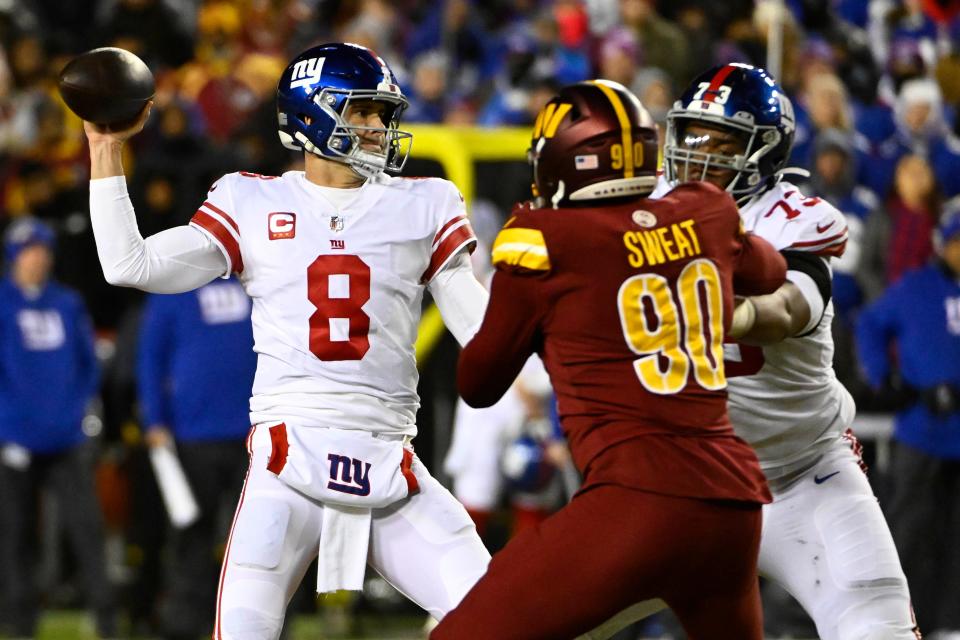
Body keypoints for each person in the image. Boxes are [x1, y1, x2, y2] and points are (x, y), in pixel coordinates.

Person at [85, 42, 492, 640]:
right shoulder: (251, 200)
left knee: (507, 616)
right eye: (361, 111)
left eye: (382, 113)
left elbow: (484, 334)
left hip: (390, 464)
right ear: (312, 114)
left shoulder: (425, 203)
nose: (379, 127)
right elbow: (130, 264)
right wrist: (105, 148)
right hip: (286, 462)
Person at [431, 79, 787, 640]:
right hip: (732, 505)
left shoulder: (546, 239)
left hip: (636, 501)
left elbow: (477, 383)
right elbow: (770, 271)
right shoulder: (706, 210)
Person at [587, 63, 921, 640]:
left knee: (878, 630)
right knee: (511, 619)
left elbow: (788, 309)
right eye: (692, 138)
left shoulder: (790, 221)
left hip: (802, 476)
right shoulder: (638, 211)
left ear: (763, 153)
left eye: (722, 145)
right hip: (678, 483)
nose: (700, 158)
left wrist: (731, 313)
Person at [0, 217, 117, 638]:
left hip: (66, 438)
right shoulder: (3, 303)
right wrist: (9, 425)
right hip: (15, 441)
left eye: (44, 251)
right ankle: (19, 618)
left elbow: (88, 365)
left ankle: (106, 617)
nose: (38, 259)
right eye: (31, 251)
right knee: (15, 534)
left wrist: (76, 413)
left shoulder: (67, 303)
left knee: (87, 529)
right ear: (15, 255)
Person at [856, 201, 960, 636]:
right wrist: (884, 378)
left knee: (956, 540)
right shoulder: (916, 286)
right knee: (905, 535)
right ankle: (894, 625)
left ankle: (950, 624)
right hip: (920, 430)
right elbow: (868, 324)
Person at [135, 276, 257, 640]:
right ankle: (187, 624)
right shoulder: (173, 288)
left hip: (254, 432)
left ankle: (256, 622)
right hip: (192, 433)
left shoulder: (255, 279)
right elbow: (151, 356)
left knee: (257, 536)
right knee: (192, 536)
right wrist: (155, 419)